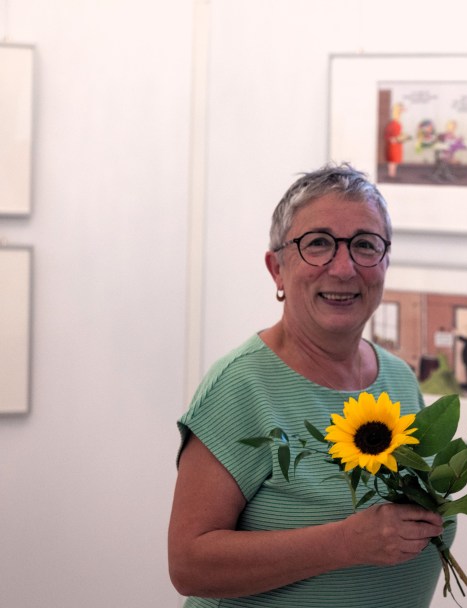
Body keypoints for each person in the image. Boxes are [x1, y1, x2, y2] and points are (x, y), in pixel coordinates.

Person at [168, 164, 452, 607]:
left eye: (364, 245)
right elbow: (189, 563)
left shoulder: (398, 380)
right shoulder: (241, 387)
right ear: (276, 269)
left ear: (385, 262)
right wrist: (345, 543)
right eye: (318, 244)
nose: (343, 268)